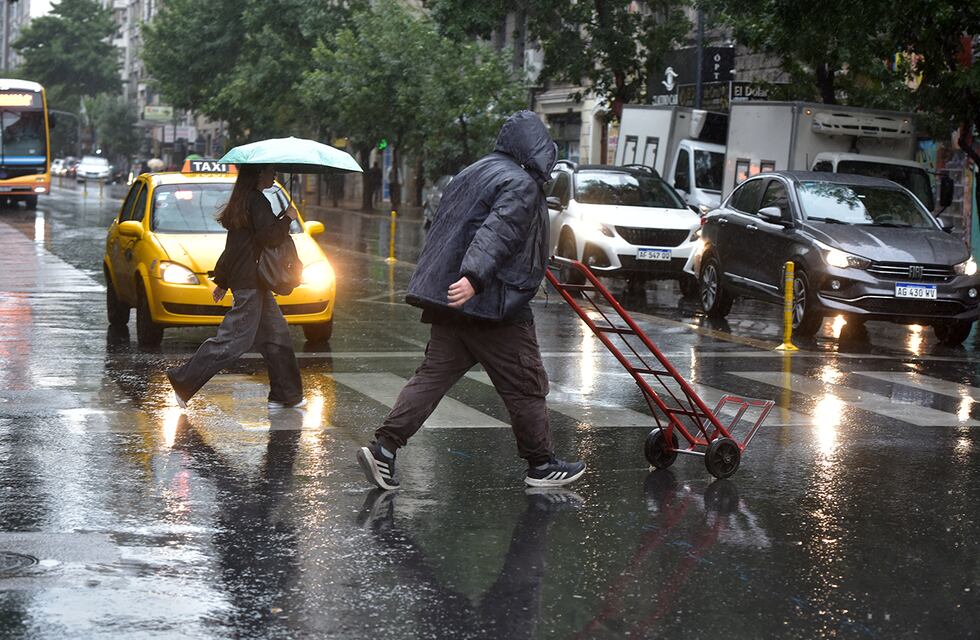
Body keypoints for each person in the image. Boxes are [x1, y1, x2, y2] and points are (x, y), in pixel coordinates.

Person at [357, 110, 586, 491]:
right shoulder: (520, 183)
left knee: (431, 378)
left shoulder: (473, 172)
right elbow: (498, 231)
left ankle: (384, 449)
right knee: (526, 383)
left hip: (452, 303)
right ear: (537, 148)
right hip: (493, 304)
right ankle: (541, 464)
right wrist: (474, 278)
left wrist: (460, 281)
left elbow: (452, 228)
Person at [166, 163, 305, 409]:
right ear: (259, 173)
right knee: (234, 341)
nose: (275, 174)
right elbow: (271, 237)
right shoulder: (256, 200)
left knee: (277, 335)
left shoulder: (245, 200)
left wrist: (222, 280)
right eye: (271, 170)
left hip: (255, 282)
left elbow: (234, 248)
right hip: (251, 283)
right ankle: (183, 380)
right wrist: (288, 218)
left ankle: (285, 395)